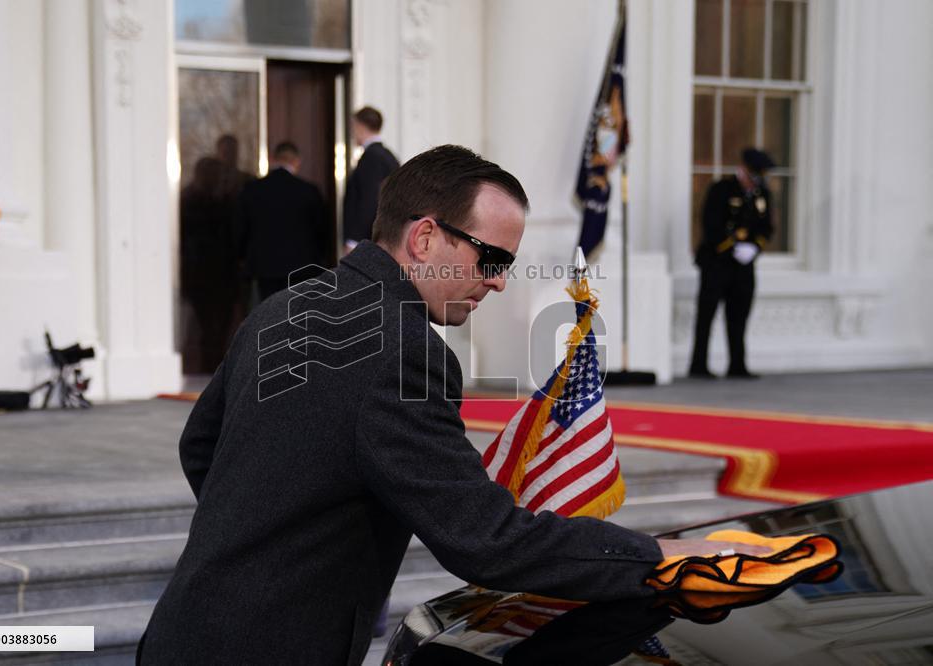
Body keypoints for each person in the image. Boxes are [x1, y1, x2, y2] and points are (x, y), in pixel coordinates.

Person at [138, 145, 768, 665]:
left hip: (183, 631)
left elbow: (201, 447)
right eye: (491, 259)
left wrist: (268, 531)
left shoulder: (286, 306)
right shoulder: (407, 352)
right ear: (425, 238)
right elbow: (485, 540)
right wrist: (658, 557)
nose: (498, 281)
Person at [689, 147, 775, 380]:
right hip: (717, 262)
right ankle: (698, 365)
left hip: (743, 265)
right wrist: (731, 245)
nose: (758, 180)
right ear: (745, 170)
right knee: (707, 314)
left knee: (739, 314)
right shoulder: (722, 189)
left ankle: (737, 364)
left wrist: (754, 247)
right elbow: (710, 223)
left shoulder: (761, 195)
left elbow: (766, 227)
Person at [232, 141, 329, 302]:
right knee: (297, 316)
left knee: (267, 316)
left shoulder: (252, 190)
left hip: (263, 267)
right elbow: (321, 231)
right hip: (302, 267)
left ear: (272, 159)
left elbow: (240, 229)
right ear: (297, 161)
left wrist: (242, 257)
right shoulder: (309, 191)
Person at [179, 156, 233, 374]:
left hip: (222, 275)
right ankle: (209, 369)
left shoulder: (223, 199)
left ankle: (217, 369)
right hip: (200, 275)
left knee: (220, 329)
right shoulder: (190, 199)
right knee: (206, 328)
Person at [343, 106, 400, 253]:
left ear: (360, 126)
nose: (352, 132)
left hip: (369, 239)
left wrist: (354, 240)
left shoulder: (371, 157)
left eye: (353, 126)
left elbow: (368, 200)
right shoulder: (387, 155)